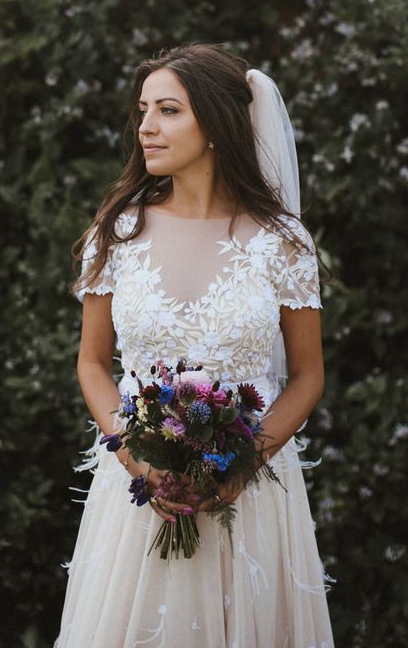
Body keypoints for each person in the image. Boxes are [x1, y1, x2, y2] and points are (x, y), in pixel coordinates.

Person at [55, 43, 334, 647]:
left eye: (168, 111)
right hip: (137, 493)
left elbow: (307, 377)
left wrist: (243, 459)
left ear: (215, 123)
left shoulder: (282, 242)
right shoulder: (119, 231)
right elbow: (93, 363)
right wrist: (135, 455)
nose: (146, 128)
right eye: (142, 111)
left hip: (250, 496)